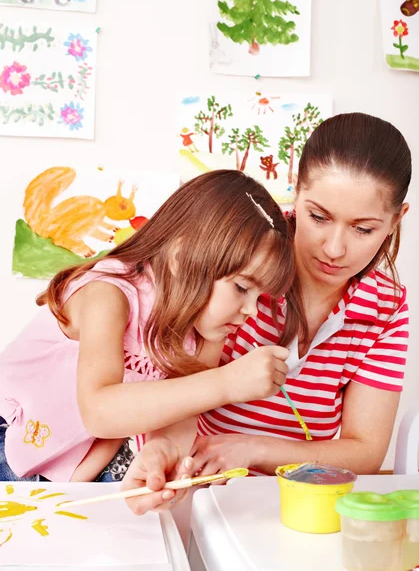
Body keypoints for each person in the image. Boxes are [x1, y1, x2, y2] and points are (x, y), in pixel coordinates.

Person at [121, 112, 411, 514]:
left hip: (296, 506)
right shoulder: (242, 265)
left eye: (363, 229)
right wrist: (164, 448)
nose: (334, 249)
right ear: (294, 190)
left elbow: (365, 451)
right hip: (201, 494)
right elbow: (186, 391)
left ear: (397, 219)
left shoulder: (388, 305)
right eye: (318, 217)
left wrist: (254, 449)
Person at [0, 170, 304, 483]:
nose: (251, 310)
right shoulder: (109, 295)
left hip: (73, 466)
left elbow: (181, 411)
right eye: (241, 288)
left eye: (259, 296)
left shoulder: (207, 326)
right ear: (182, 256)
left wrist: (160, 449)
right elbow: (98, 411)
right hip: (11, 437)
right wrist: (225, 383)